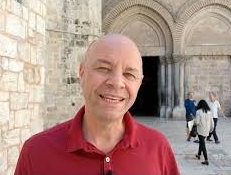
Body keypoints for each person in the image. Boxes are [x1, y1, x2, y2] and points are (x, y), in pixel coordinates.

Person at [15, 34, 180, 175]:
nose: (116, 83)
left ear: (139, 83)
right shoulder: (36, 152)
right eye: (103, 68)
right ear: (82, 72)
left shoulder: (158, 147)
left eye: (129, 74)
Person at [194, 100, 214, 165]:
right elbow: (212, 122)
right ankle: (199, 154)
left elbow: (197, 122)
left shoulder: (198, 112)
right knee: (201, 141)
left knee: (203, 144)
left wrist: (195, 121)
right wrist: (211, 130)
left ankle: (206, 159)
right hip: (207, 130)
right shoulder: (209, 112)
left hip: (200, 130)